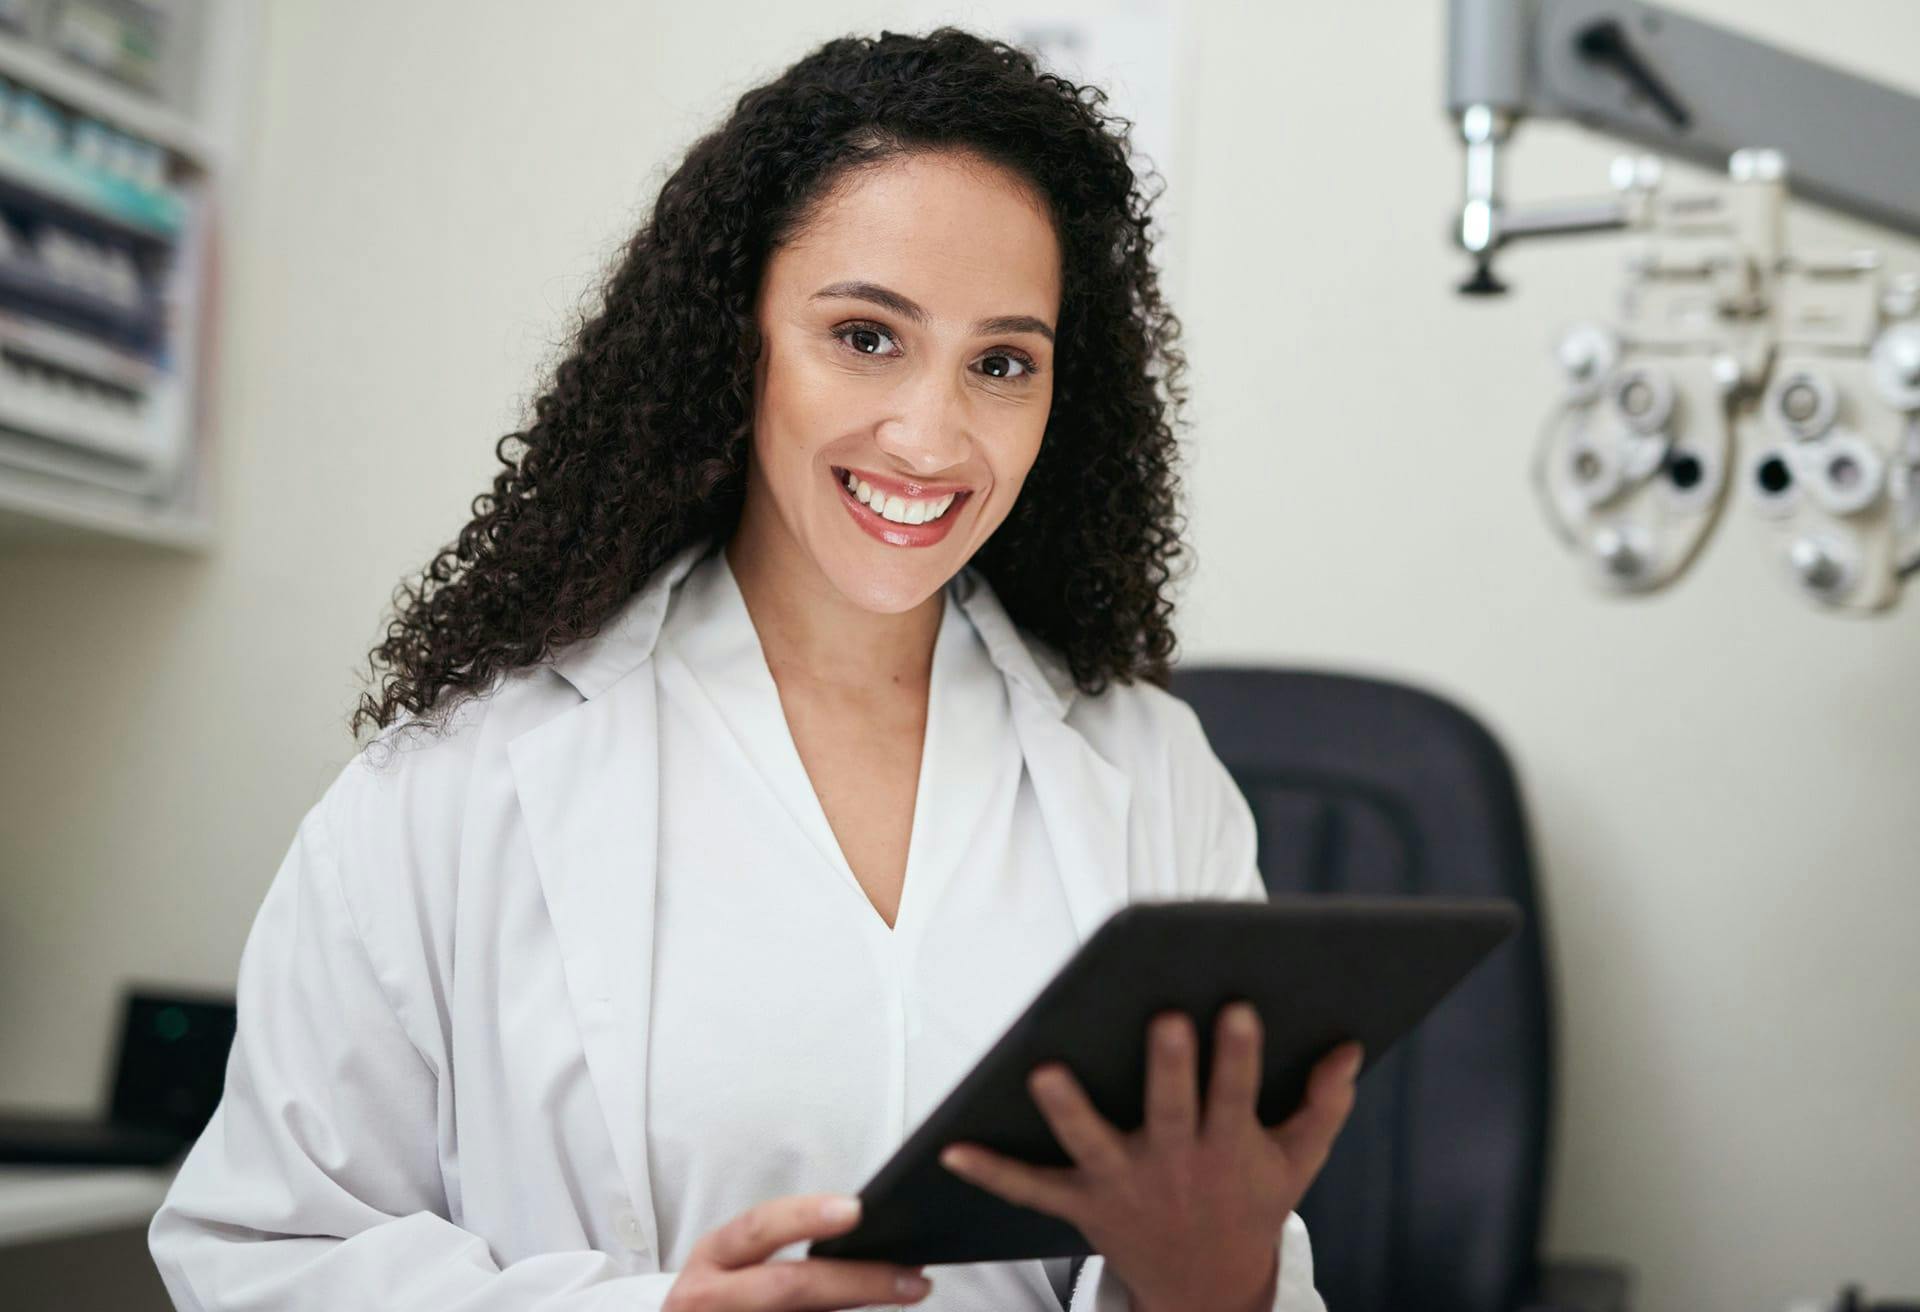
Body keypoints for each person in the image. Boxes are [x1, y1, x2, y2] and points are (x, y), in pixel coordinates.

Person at [148, 25, 1360, 1312]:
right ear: (740, 341)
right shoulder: (456, 784)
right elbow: (261, 1258)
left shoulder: (1148, 773)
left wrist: (1216, 1285)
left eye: (1003, 363)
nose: (932, 435)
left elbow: (1243, 1262)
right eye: (866, 336)